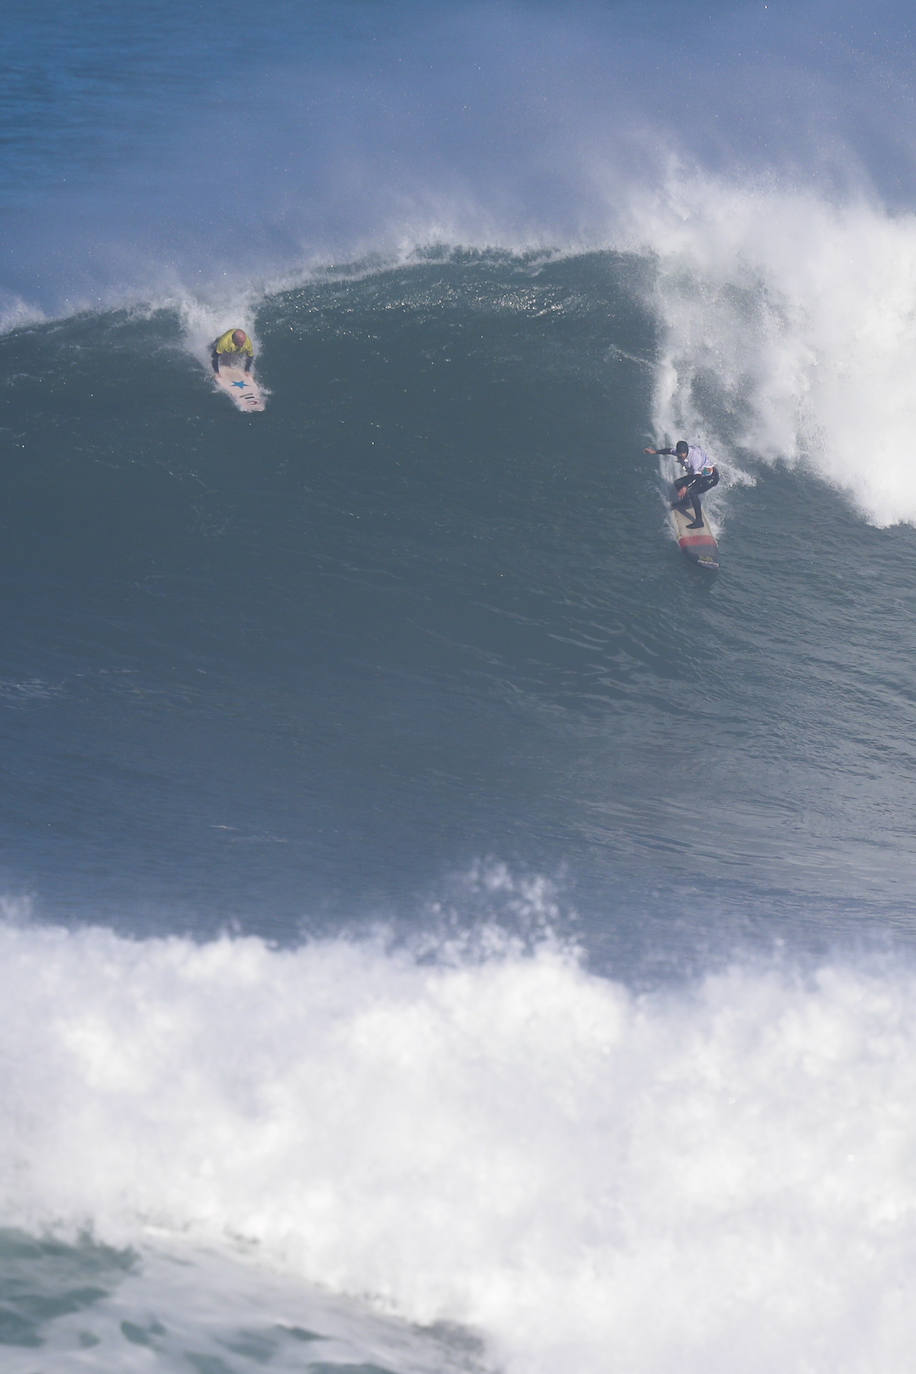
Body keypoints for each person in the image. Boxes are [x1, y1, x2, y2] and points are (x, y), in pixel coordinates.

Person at [644, 439, 719, 529]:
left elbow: (698, 478)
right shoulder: (679, 452)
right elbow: (669, 451)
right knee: (678, 483)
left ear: (686, 451)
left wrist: (686, 487)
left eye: (682, 454)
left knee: (692, 492)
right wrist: (655, 452)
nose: (680, 456)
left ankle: (699, 521)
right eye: (679, 453)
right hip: (698, 475)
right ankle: (685, 502)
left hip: (710, 477)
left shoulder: (695, 458)